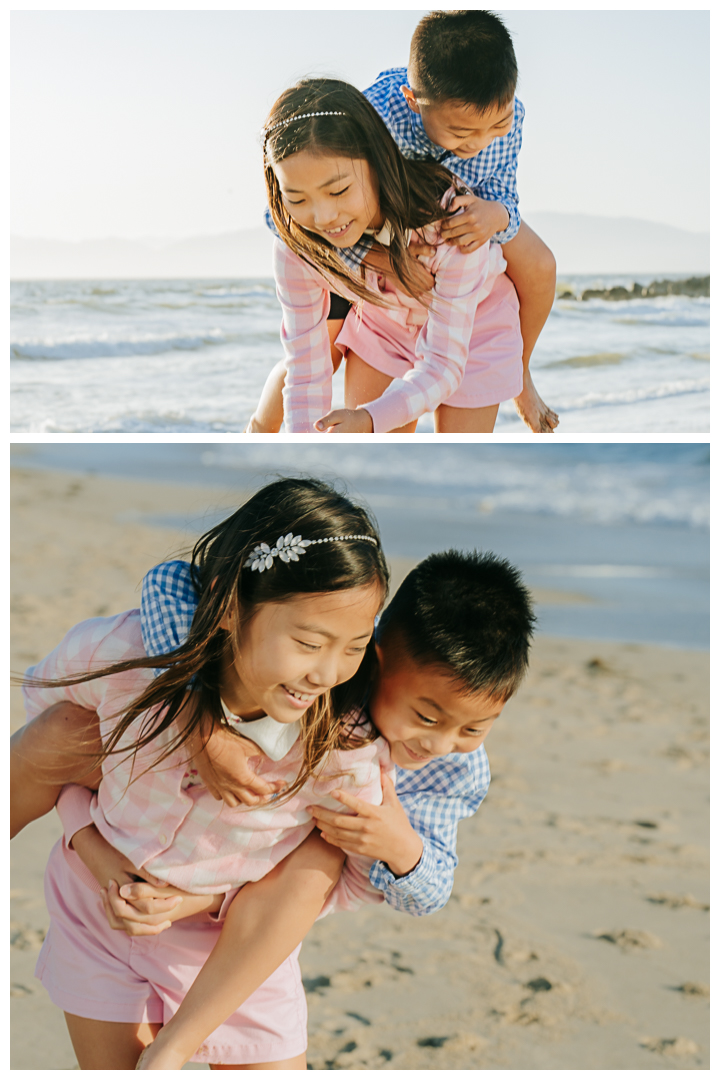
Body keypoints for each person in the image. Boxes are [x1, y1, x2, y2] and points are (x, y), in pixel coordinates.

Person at [19, 548, 536, 1068]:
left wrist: (399, 846)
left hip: (246, 920)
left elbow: (420, 888)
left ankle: (175, 1043)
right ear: (374, 653)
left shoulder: (437, 770)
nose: (441, 743)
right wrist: (198, 712)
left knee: (323, 852)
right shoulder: (326, 664)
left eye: (473, 730)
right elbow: (173, 582)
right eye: (426, 717)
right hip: (135, 867)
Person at [11, 477, 399, 1070]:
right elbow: (54, 739)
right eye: (309, 641)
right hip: (99, 913)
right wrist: (85, 840)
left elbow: (343, 881)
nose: (327, 672)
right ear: (227, 605)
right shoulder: (127, 656)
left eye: (352, 647)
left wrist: (204, 901)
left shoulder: (341, 747)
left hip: (233, 956)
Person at [248, 10, 558, 434]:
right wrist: (379, 259)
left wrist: (495, 214)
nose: (481, 141)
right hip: (370, 270)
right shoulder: (372, 120)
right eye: (463, 132)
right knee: (319, 352)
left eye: (497, 125)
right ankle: (259, 431)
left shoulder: (492, 141)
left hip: (454, 236)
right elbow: (289, 221)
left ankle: (519, 371)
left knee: (540, 266)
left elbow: (504, 188)